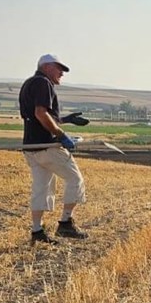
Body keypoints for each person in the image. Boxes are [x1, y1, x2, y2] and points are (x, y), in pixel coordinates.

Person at [19, 54, 88, 245]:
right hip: (48, 145)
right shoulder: (43, 83)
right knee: (75, 179)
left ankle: (37, 231)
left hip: (31, 147)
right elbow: (40, 113)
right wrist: (60, 134)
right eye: (59, 69)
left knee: (41, 187)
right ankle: (65, 223)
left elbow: (40, 116)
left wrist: (65, 119)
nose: (62, 74)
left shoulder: (28, 83)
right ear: (48, 67)